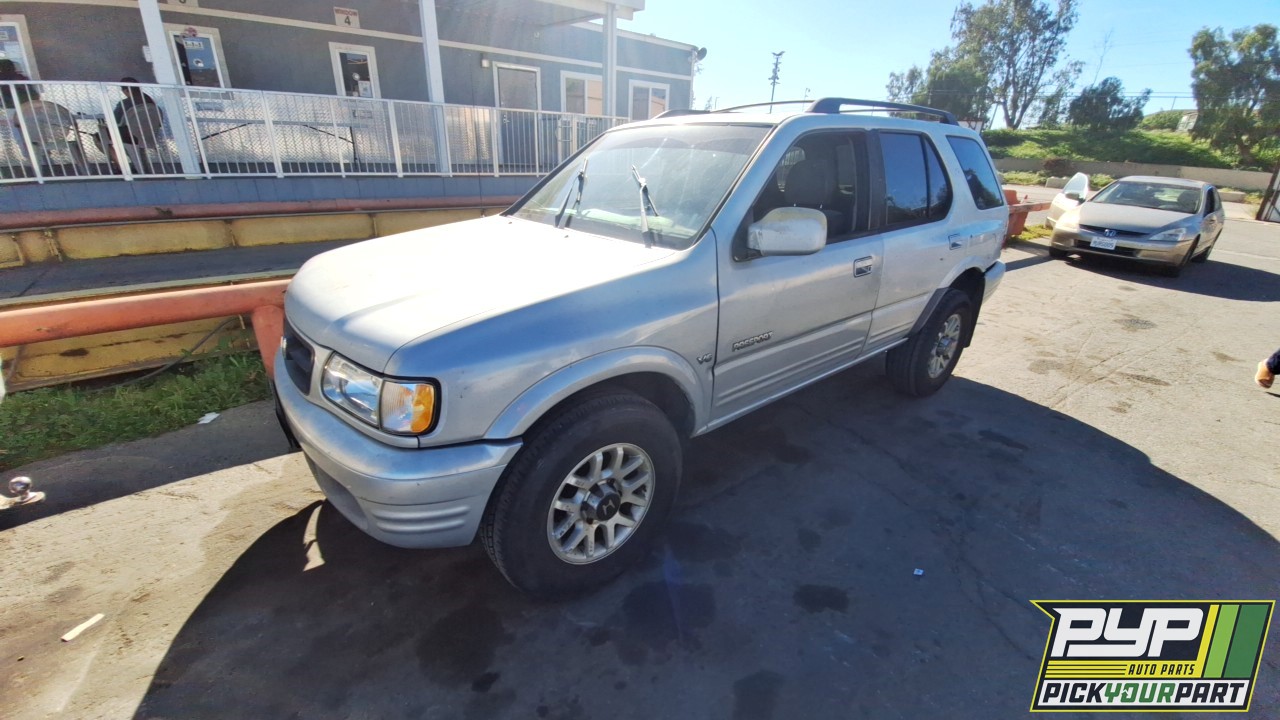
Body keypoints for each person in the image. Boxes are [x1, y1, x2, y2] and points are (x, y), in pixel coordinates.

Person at [105, 78, 163, 173]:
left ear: (126, 90)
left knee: (100, 137)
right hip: (151, 135)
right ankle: (136, 164)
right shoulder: (149, 101)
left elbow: (115, 121)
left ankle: (122, 167)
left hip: (132, 137)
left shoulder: (125, 103)